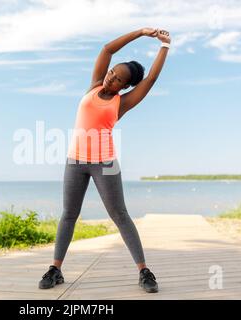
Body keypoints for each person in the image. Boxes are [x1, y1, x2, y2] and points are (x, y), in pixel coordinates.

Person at [39, 28, 170, 293]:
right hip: (75, 161)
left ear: (125, 86)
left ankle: (144, 271)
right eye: (112, 73)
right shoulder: (94, 85)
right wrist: (142, 32)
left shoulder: (123, 103)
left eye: (118, 79)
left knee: (120, 215)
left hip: (104, 163)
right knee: (69, 215)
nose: (111, 79)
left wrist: (164, 46)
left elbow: (152, 78)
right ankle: (55, 269)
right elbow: (107, 49)